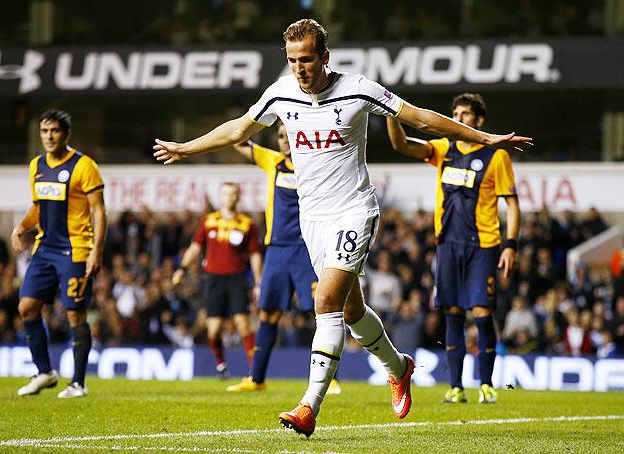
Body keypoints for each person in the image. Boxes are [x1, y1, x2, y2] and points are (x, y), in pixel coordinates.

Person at [153, 19, 532, 437]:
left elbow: (422, 119)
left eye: (307, 59)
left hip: (354, 210)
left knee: (326, 299)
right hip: (311, 218)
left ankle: (308, 406)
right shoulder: (281, 93)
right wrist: (186, 147)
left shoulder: (358, 89)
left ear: (325, 57)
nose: (299, 68)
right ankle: (399, 367)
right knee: (351, 311)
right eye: (292, 60)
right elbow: (239, 128)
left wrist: (484, 138)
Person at [386, 92, 522, 404]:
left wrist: (510, 245)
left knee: (483, 313)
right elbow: (402, 145)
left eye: (465, 114)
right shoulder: (443, 149)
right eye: (455, 114)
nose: (459, 119)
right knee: (453, 314)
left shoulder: (496, 156)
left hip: (483, 245)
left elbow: (512, 204)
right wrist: (391, 114)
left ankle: (486, 383)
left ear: (480, 120)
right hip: (447, 245)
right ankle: (456, 386)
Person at [225, 123, 341, 395]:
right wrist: (258, 120)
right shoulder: (272, 161)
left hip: (307, 248)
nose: (284, 141)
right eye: (279, 136)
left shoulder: (315, 166)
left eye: (289, 135)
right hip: (276, 249)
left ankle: (330, 379)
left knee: (323, 311)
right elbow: (237, 142)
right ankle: (256, 379)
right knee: (268, 314)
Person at [12, 109, 106, 398]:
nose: (49, 136)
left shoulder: (83, 166)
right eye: (44, 131)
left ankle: (78, 383)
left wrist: (96, 251)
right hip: (44, 249)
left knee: (75, 314)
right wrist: (21, 227)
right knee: (26, 307)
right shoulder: (36, 165)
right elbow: (38, 206)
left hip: (75, 249)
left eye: (54, 131)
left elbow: (99, 211)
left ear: (66, 134)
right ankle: (44, 372)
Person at [172, 182, 262, 378]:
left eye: (232, 194)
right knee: (213, 330)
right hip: (213, 279)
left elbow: (255, 255)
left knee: (243, 325)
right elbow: (195, 248)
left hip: (237, 279)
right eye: (225, 194)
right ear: (220, 197)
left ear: (238, 197)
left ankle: (255, 372)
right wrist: (182, 269)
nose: (229, 198)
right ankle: (221, 365)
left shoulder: (247, 224)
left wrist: (258, 281)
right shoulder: (208, 221)